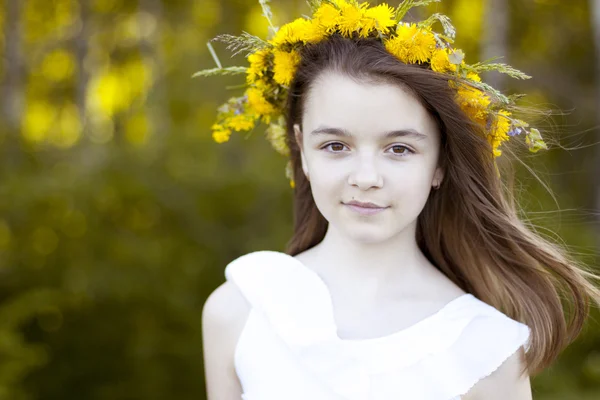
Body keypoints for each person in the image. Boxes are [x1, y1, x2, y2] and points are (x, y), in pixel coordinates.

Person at [198, 1, 600, 399]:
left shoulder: (487, 352)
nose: (367, 178)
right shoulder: (240, 310)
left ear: (439, 163)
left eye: (400, 149)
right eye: (336, 146)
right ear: (302, 150)